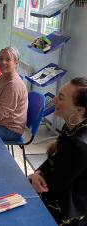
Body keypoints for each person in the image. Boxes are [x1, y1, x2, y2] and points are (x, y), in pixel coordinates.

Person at [28, 77, 87, 226]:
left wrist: (33, 179)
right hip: (58, 192)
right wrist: (37, 173)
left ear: (79, 110)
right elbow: (53, 160)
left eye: (61, 98)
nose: (54, 100)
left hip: (69, 210)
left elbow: (52, 188)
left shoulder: (79, 144)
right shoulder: (72, 125)